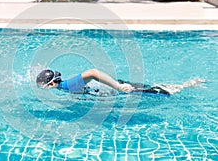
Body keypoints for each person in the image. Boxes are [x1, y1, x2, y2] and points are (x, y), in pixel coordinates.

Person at [36, 69, 206, 96]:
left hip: (117, 89)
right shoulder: (64, 87)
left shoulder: (67, 86)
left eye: (43, 86)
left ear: (51, 84)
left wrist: (117, 86)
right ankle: (184, 84)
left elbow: (93, 72)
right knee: (149, 88)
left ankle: (190, 84)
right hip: (113, 88)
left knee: (157, 92)